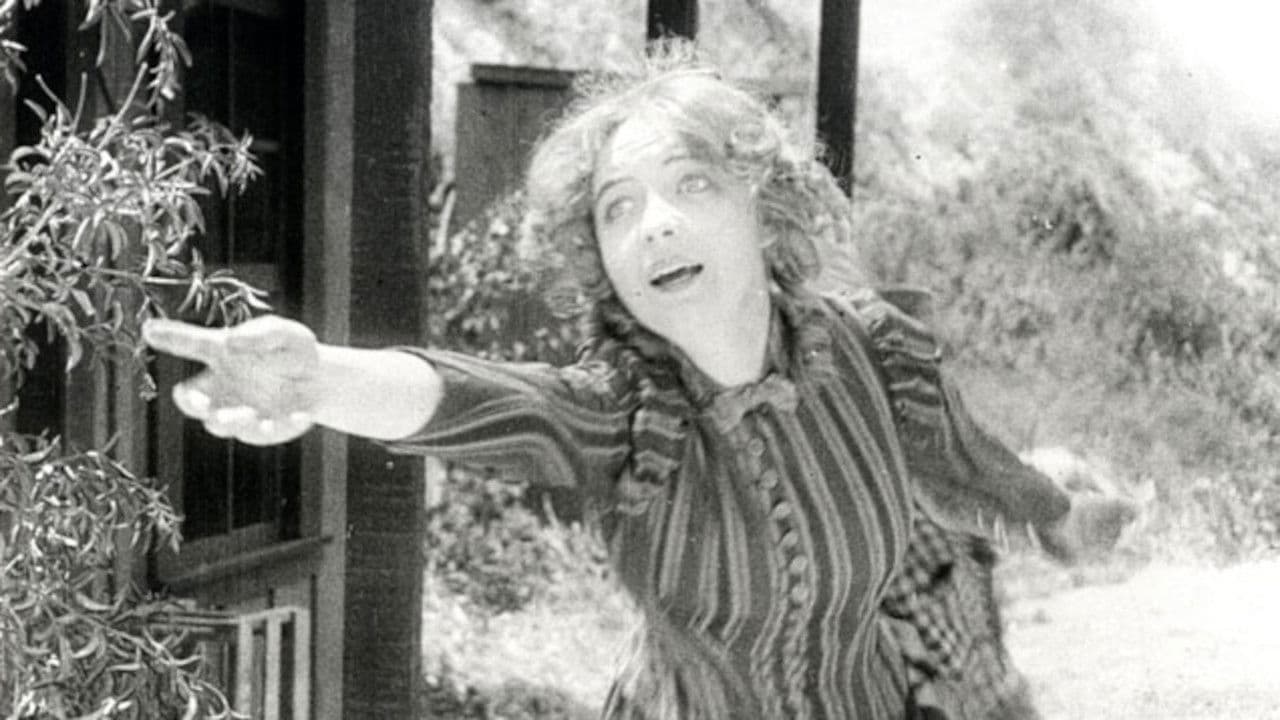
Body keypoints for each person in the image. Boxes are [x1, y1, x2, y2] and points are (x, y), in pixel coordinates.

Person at [144, 49, 1132, 720]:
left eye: (692, 184)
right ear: (603, 257)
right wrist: (322, 378)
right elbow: (483, 399)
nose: (654, 222)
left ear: (763, 208)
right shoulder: (621, 412)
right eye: (619, 208)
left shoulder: (870, 351)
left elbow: (971, 461)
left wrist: (1061, 514)